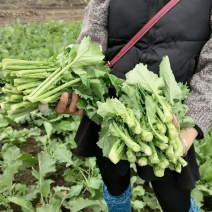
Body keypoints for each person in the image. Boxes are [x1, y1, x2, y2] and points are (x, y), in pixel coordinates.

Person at [55, 0, 212, 211]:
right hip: (112, 107)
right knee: (114, 181)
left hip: (169, 118)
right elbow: (93, 39)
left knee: (174, 198)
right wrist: (80, 85)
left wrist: (192, 125)